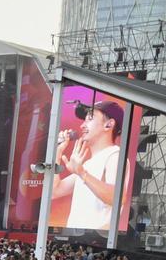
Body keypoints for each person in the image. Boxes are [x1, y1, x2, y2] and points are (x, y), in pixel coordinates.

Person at [53, 99, 125, 231]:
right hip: (76, 236)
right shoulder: (88, 164)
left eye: (90, 119)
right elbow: (54, 192)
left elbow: (116, 198)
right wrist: (57, 154)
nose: (82, 125)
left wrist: (81, 173)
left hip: (94, 238)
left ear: (108, 125)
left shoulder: (115, 155)